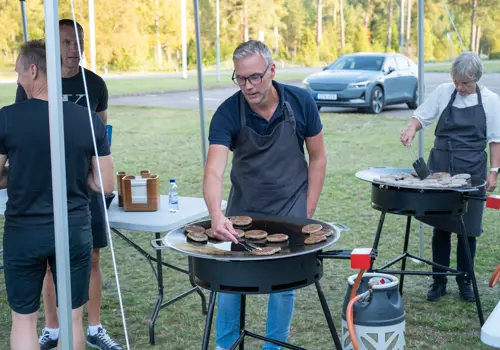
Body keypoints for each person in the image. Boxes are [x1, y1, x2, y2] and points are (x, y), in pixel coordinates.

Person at [202, 40, 327, 350]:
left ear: (272, 70)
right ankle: (226, 346)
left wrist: (306, 212)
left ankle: (274, 347)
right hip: (244, 209)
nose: (248, 86)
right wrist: (217, 216)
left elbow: (318, 157)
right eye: (241, 78)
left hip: (291, 206)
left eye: (255, 77)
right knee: (230, 284)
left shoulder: (301, 102)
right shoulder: (228, 112)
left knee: (283, 287)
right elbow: (214, 170)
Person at [14, 19, 121, 350]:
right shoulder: (32, 85)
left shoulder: (95, 84)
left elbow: (101, 137)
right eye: (66, 42)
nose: (75, 48)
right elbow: (26, 134)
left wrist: (94, 176)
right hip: (42, 190)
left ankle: (94, 326)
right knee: (48, 263)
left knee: (90, 259)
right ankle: (52, 328)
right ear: (52, 47)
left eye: (79, 41)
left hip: (82, 190)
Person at [400, 51, 500, 302]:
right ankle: (439, 281)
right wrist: (411, 127)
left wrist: (494, 172)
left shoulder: (490, 101)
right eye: (456, 81)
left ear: (476, 79)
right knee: (441, 227)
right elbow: (422, 115)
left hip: (472, 171)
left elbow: (495, 140)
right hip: (440, 168)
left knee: (469, 230)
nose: (459, 86)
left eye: (464, 83)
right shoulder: (445, 91)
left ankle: (465, 280)